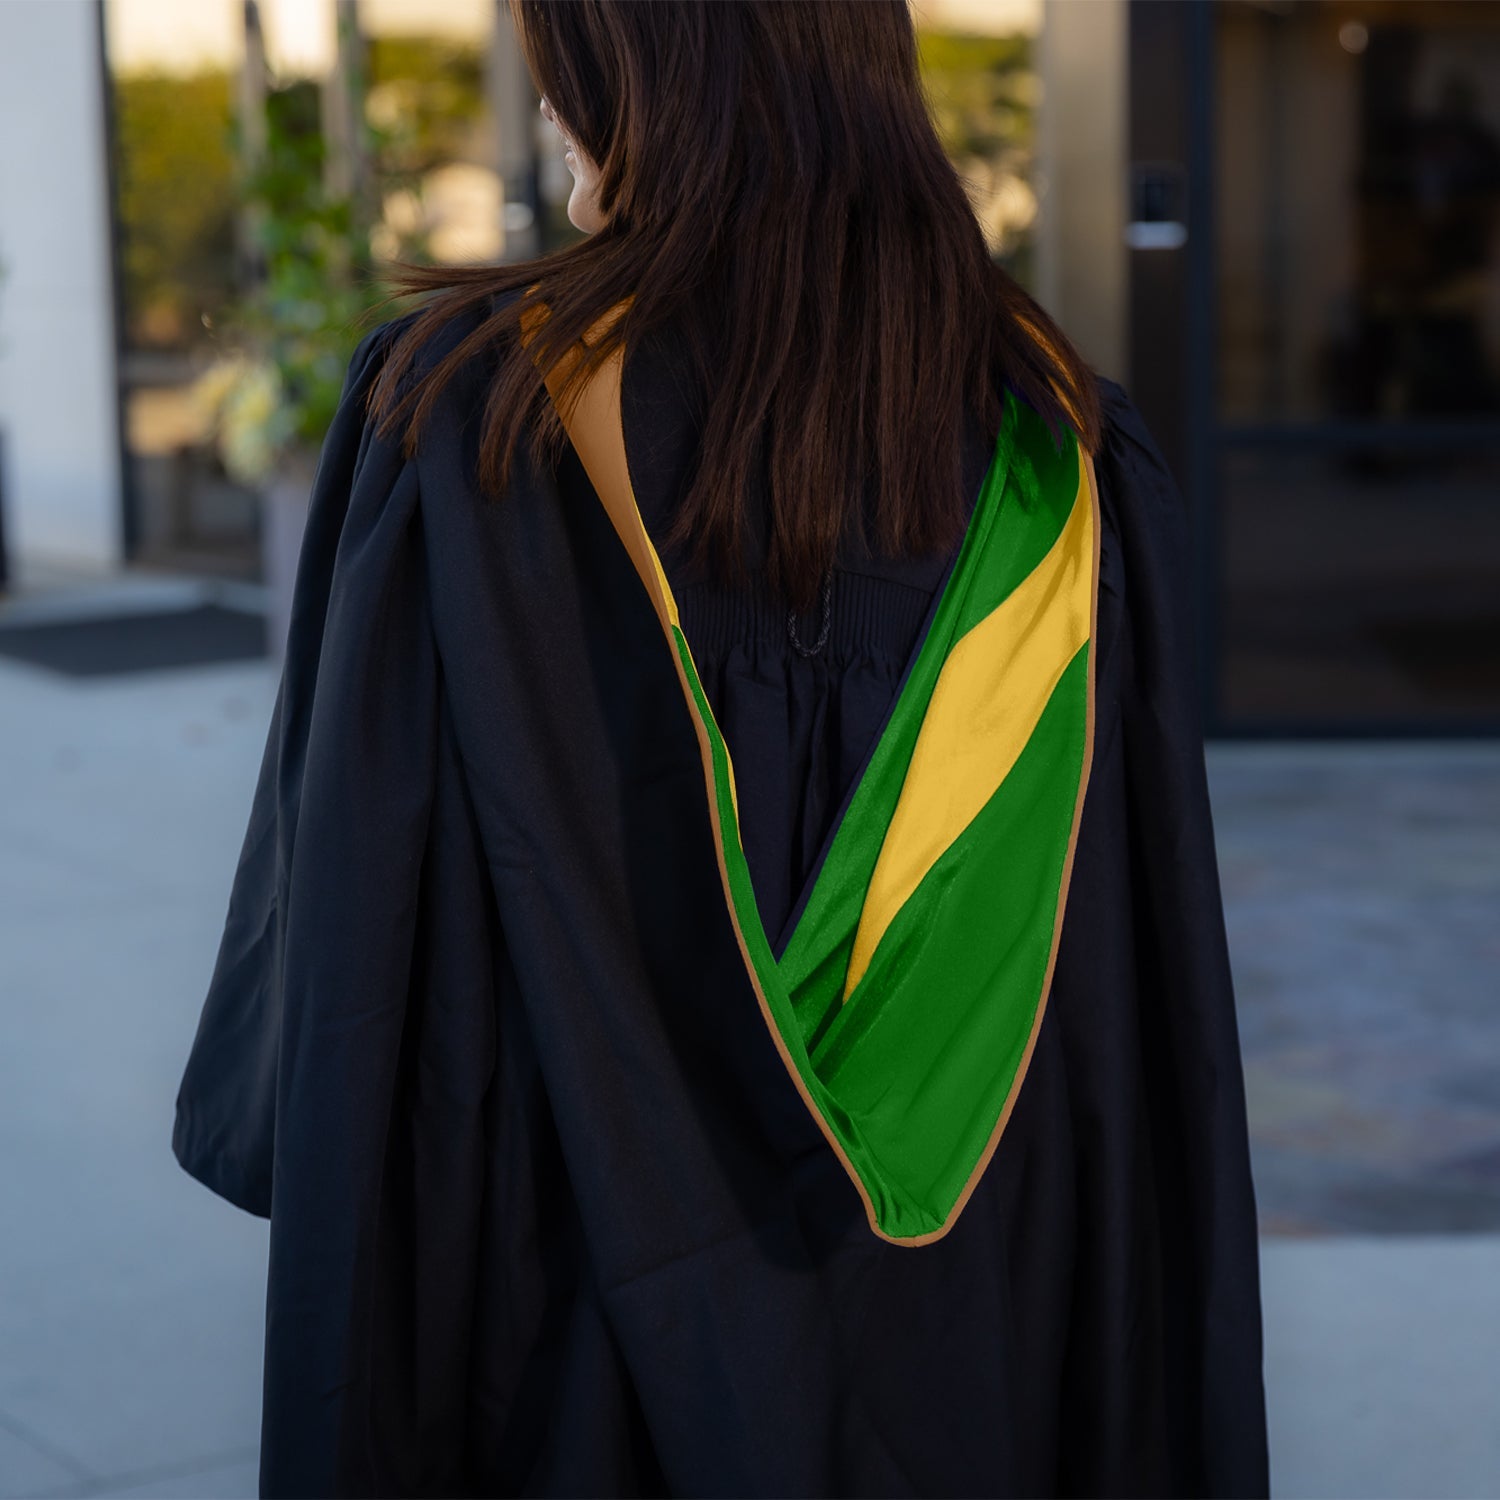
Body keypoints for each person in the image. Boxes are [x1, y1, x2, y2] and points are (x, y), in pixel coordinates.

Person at [172, 2, 1268, 1495]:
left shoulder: (470, 421)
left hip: (562, 1310)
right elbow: (1136, 1007)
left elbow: (357, 943)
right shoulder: (1060, 446)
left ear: (655, 70)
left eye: (566, 56)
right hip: (986, 1314)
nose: (547, 103)